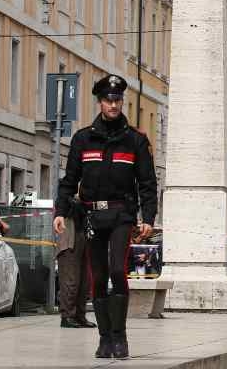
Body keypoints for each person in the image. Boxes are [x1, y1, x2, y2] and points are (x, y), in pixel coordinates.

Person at [53, 75, 156, 360]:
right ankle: (104, 338)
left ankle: (120, 338)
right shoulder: (83, 139)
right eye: (108, 100)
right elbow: (69, 180)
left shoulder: (135, 140)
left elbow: (147, 183)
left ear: (122, 102)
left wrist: (148, 216)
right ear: (100, 102)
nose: (113, 105)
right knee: (97, 277)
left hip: (122, 214)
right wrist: (60, 211)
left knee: (116, 270)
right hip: (92, 216)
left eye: (118, 100)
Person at [56, 192, 95, 329]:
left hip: (82, 236)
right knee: (70, 280)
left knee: (84, 281)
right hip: (69, 239)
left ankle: (80, 315)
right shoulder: (66, 194)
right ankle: (67, 316)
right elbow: (69, 207)